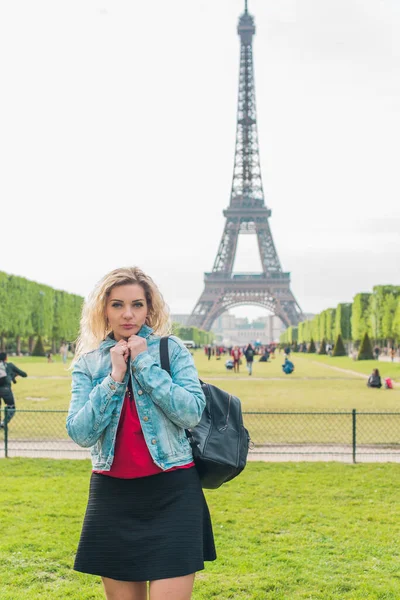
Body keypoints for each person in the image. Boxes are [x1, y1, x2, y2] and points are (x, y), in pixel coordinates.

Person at [66, 266, 216, 600]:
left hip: (173, 493)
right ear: (104, 309)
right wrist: (115, 377)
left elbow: (192, 412)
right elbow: (81, 433)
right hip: (113, 498)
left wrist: (145, 366)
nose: (128, 314)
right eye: (117, 304)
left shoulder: (170, 350)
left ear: (150, 308)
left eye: (137, 304)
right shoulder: (90, 363)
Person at [0, 352, 28, 428]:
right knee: (11, 407)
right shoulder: (10, 365)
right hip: (6, 390)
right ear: (6, 358)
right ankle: (3, 423)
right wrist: (14, 374)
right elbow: (24, 374)